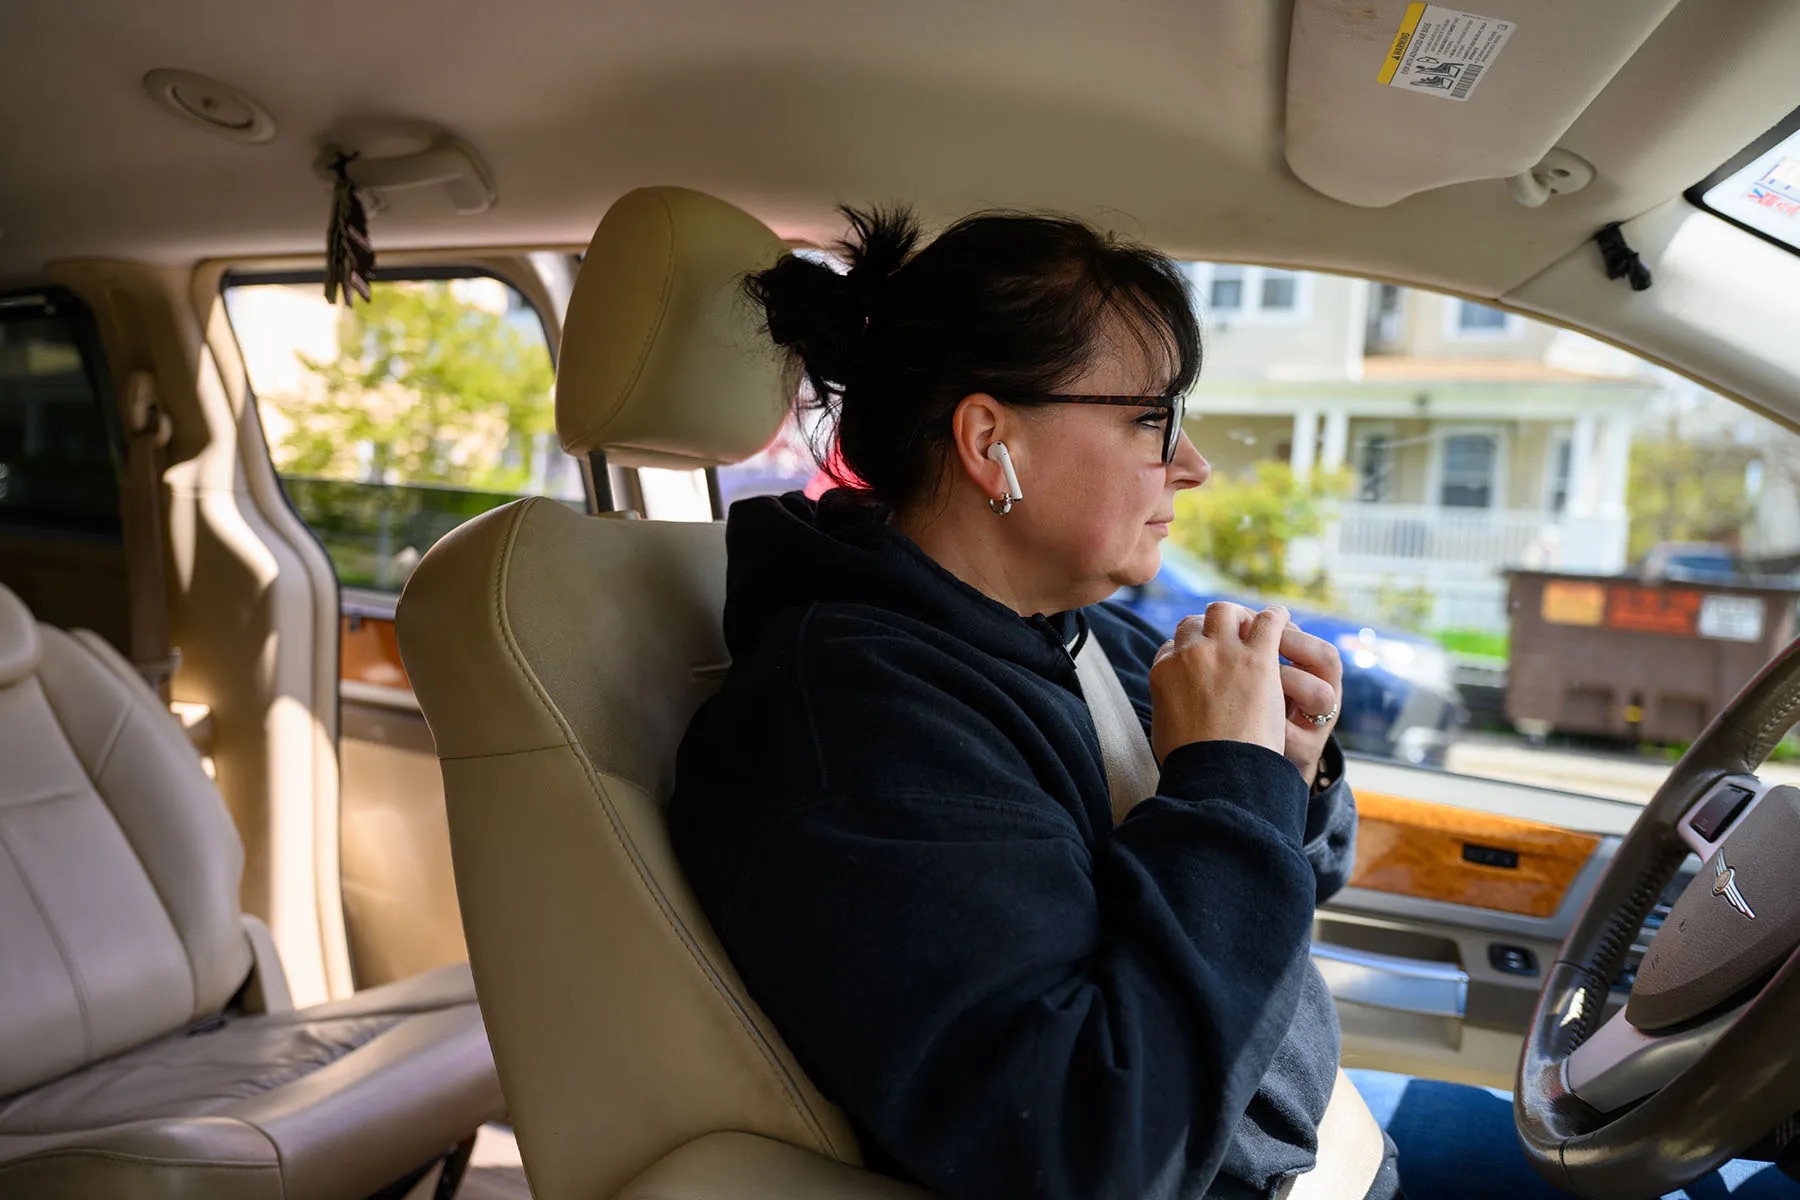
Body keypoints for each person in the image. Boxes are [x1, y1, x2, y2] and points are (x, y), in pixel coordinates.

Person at [668, 207, 1797, 1199]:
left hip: (1304, 1139)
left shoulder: (1064, 637)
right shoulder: (858, 724)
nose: (1192, 462)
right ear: (987, 441)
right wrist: (1229, 783)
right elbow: (1092, 1145)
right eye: (1151, 418)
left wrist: (1286, 768)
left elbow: (1267, 890)